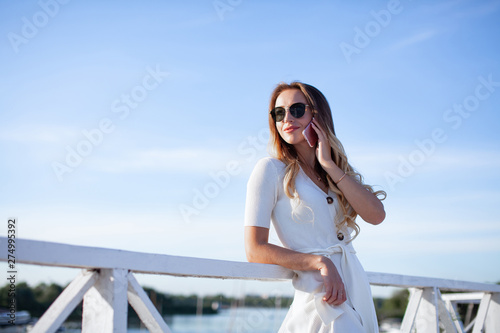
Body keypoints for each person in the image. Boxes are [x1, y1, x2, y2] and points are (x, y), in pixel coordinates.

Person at [244, 81, 387, 332]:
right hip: (320, 295)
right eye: (279, 113)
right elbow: (254, 250)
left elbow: (376, 215)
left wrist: (329, 164)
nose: (287, 118)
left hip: (356, 289)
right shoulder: (270, 170)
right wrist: (319, 262)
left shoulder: (333, 173)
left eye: (297, 109)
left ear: (317, 115)